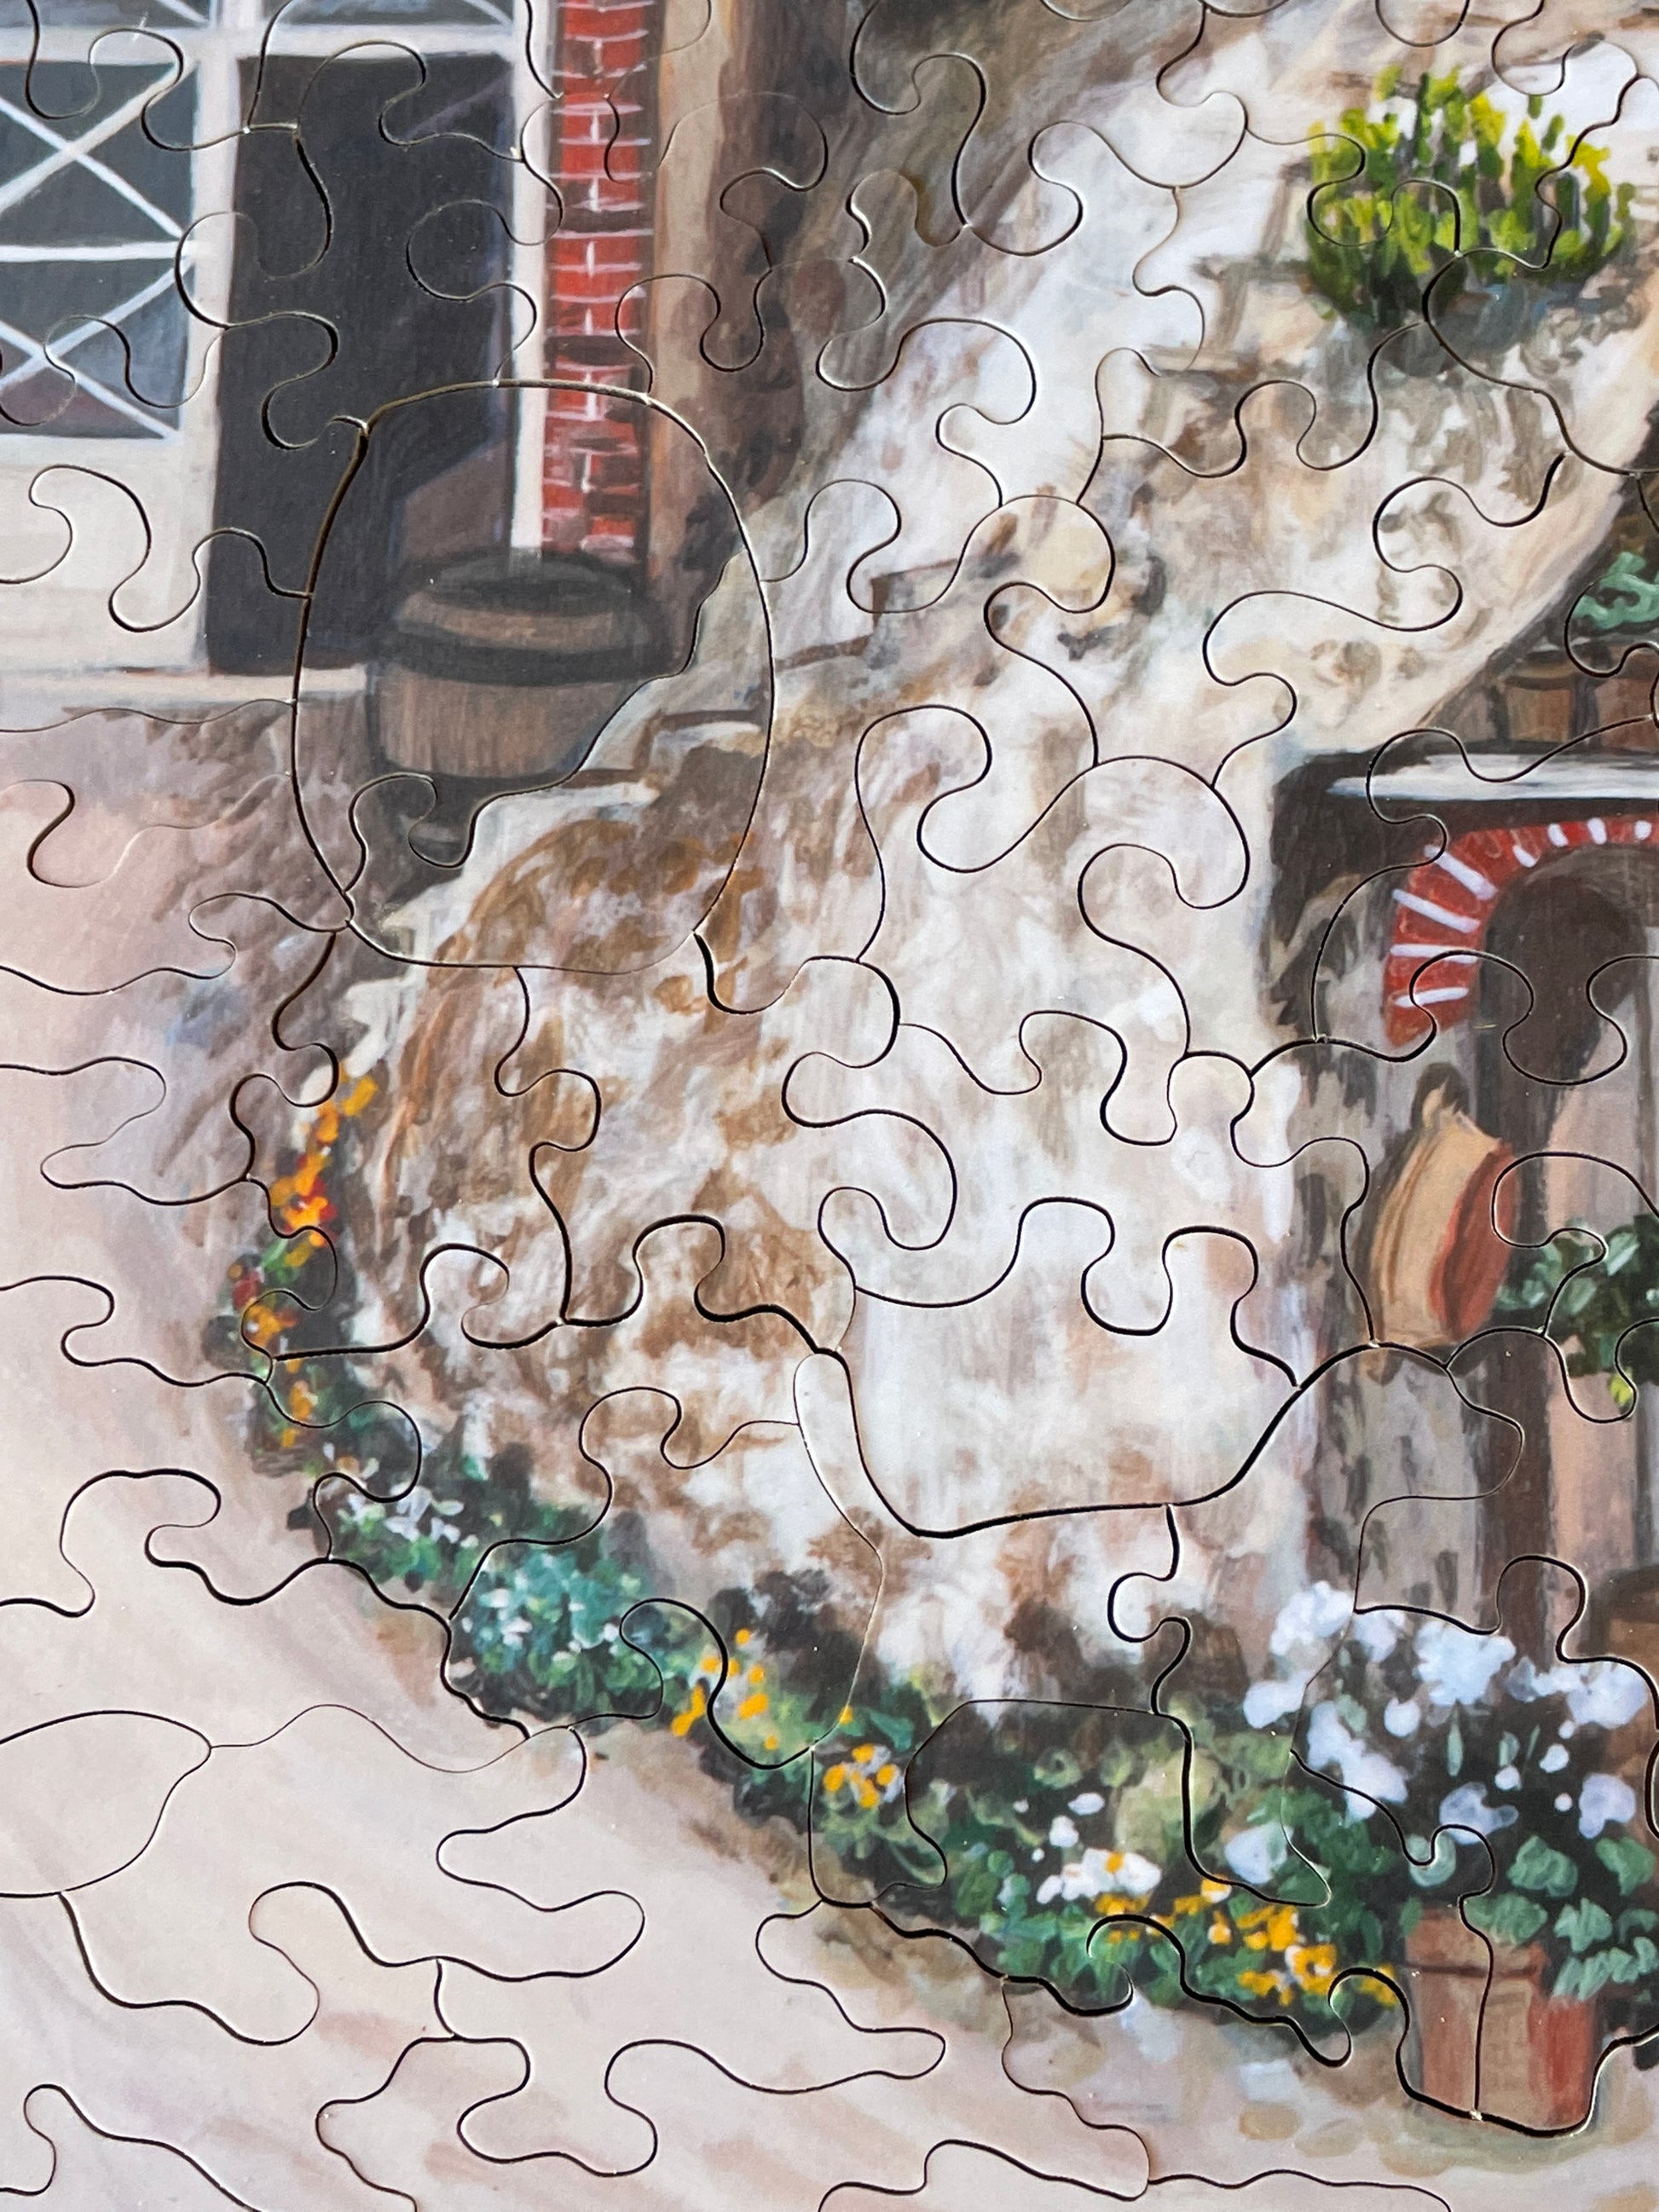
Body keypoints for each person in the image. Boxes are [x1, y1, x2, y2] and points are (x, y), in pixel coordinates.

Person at [1353, 1065, 1518, 1352]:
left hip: (1436, 1319)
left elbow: (1481, 1257)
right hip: (1405, 1320)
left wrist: (1454, 1316)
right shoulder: (1415, 1152)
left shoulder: (1486, 1161)